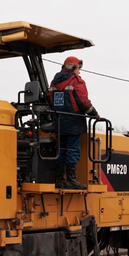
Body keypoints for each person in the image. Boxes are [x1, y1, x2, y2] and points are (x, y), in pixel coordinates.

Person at [48, 56, 98, 190]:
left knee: (61, 150)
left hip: (58, 122)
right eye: (79, 68)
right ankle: (71, 180)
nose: (79, 72)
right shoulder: (76, 81)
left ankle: (59, 179)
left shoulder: (54, 82)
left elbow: (50, 101)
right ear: (73, 68)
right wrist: (95, 114)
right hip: (73, 122)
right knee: (72, 150)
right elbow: (83, 101)